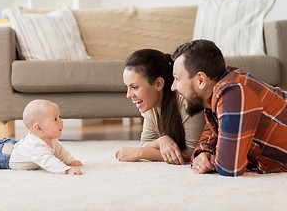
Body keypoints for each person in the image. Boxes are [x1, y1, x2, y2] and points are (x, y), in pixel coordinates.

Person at [171, 39, 287, 176]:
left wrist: (215, 160)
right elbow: (211, 133)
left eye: (177, 79)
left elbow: (229, 167)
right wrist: (204, 152)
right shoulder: (216, 96)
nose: (173, 87)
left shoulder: (233, 93)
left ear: (201, 80)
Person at [115, 49, 205, 164]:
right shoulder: (150, 104)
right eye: (127, 87)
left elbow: (195, 153)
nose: (128, 95)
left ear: (158, 84)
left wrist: (141, 153)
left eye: (135, 87)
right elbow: (146, 142)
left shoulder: (186, 101)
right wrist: (161, 141)